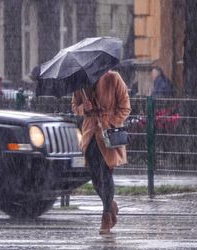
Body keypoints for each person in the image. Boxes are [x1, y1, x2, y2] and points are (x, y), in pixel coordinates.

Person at [71, 70, 131, 234]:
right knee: (95, 177)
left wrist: (111, 121)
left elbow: (125, 106)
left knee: (105, 175)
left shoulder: (113, 78)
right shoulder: (80, 82)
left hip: (108, 136)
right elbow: (75, 107)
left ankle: (106, 216)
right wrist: (84, 108)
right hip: (90, 136)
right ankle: (110, 203)